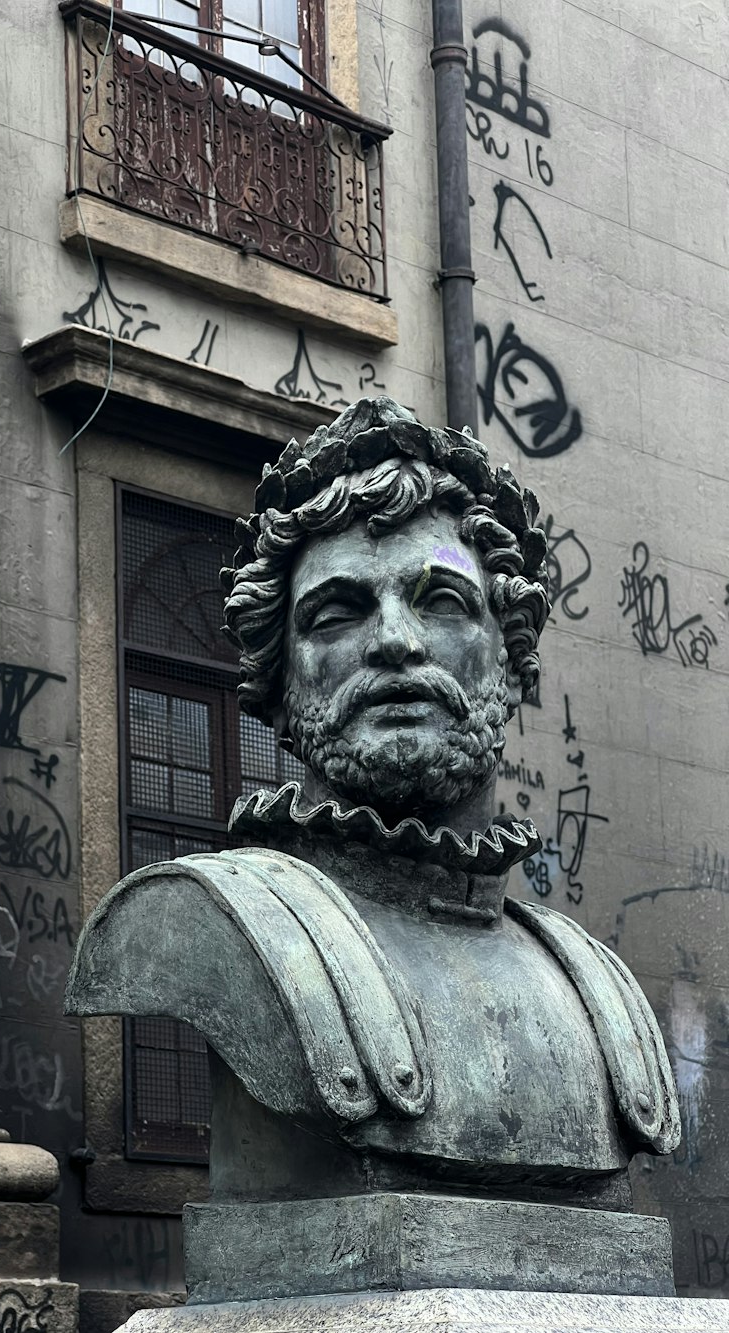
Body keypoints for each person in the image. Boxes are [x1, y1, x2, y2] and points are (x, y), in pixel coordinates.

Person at [66, 397, 678, 1214]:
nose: (394, 639)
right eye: (339, 611)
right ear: (278, 683)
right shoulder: (199, 921)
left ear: (513, 658)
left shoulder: (598, 991)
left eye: (442, 602)